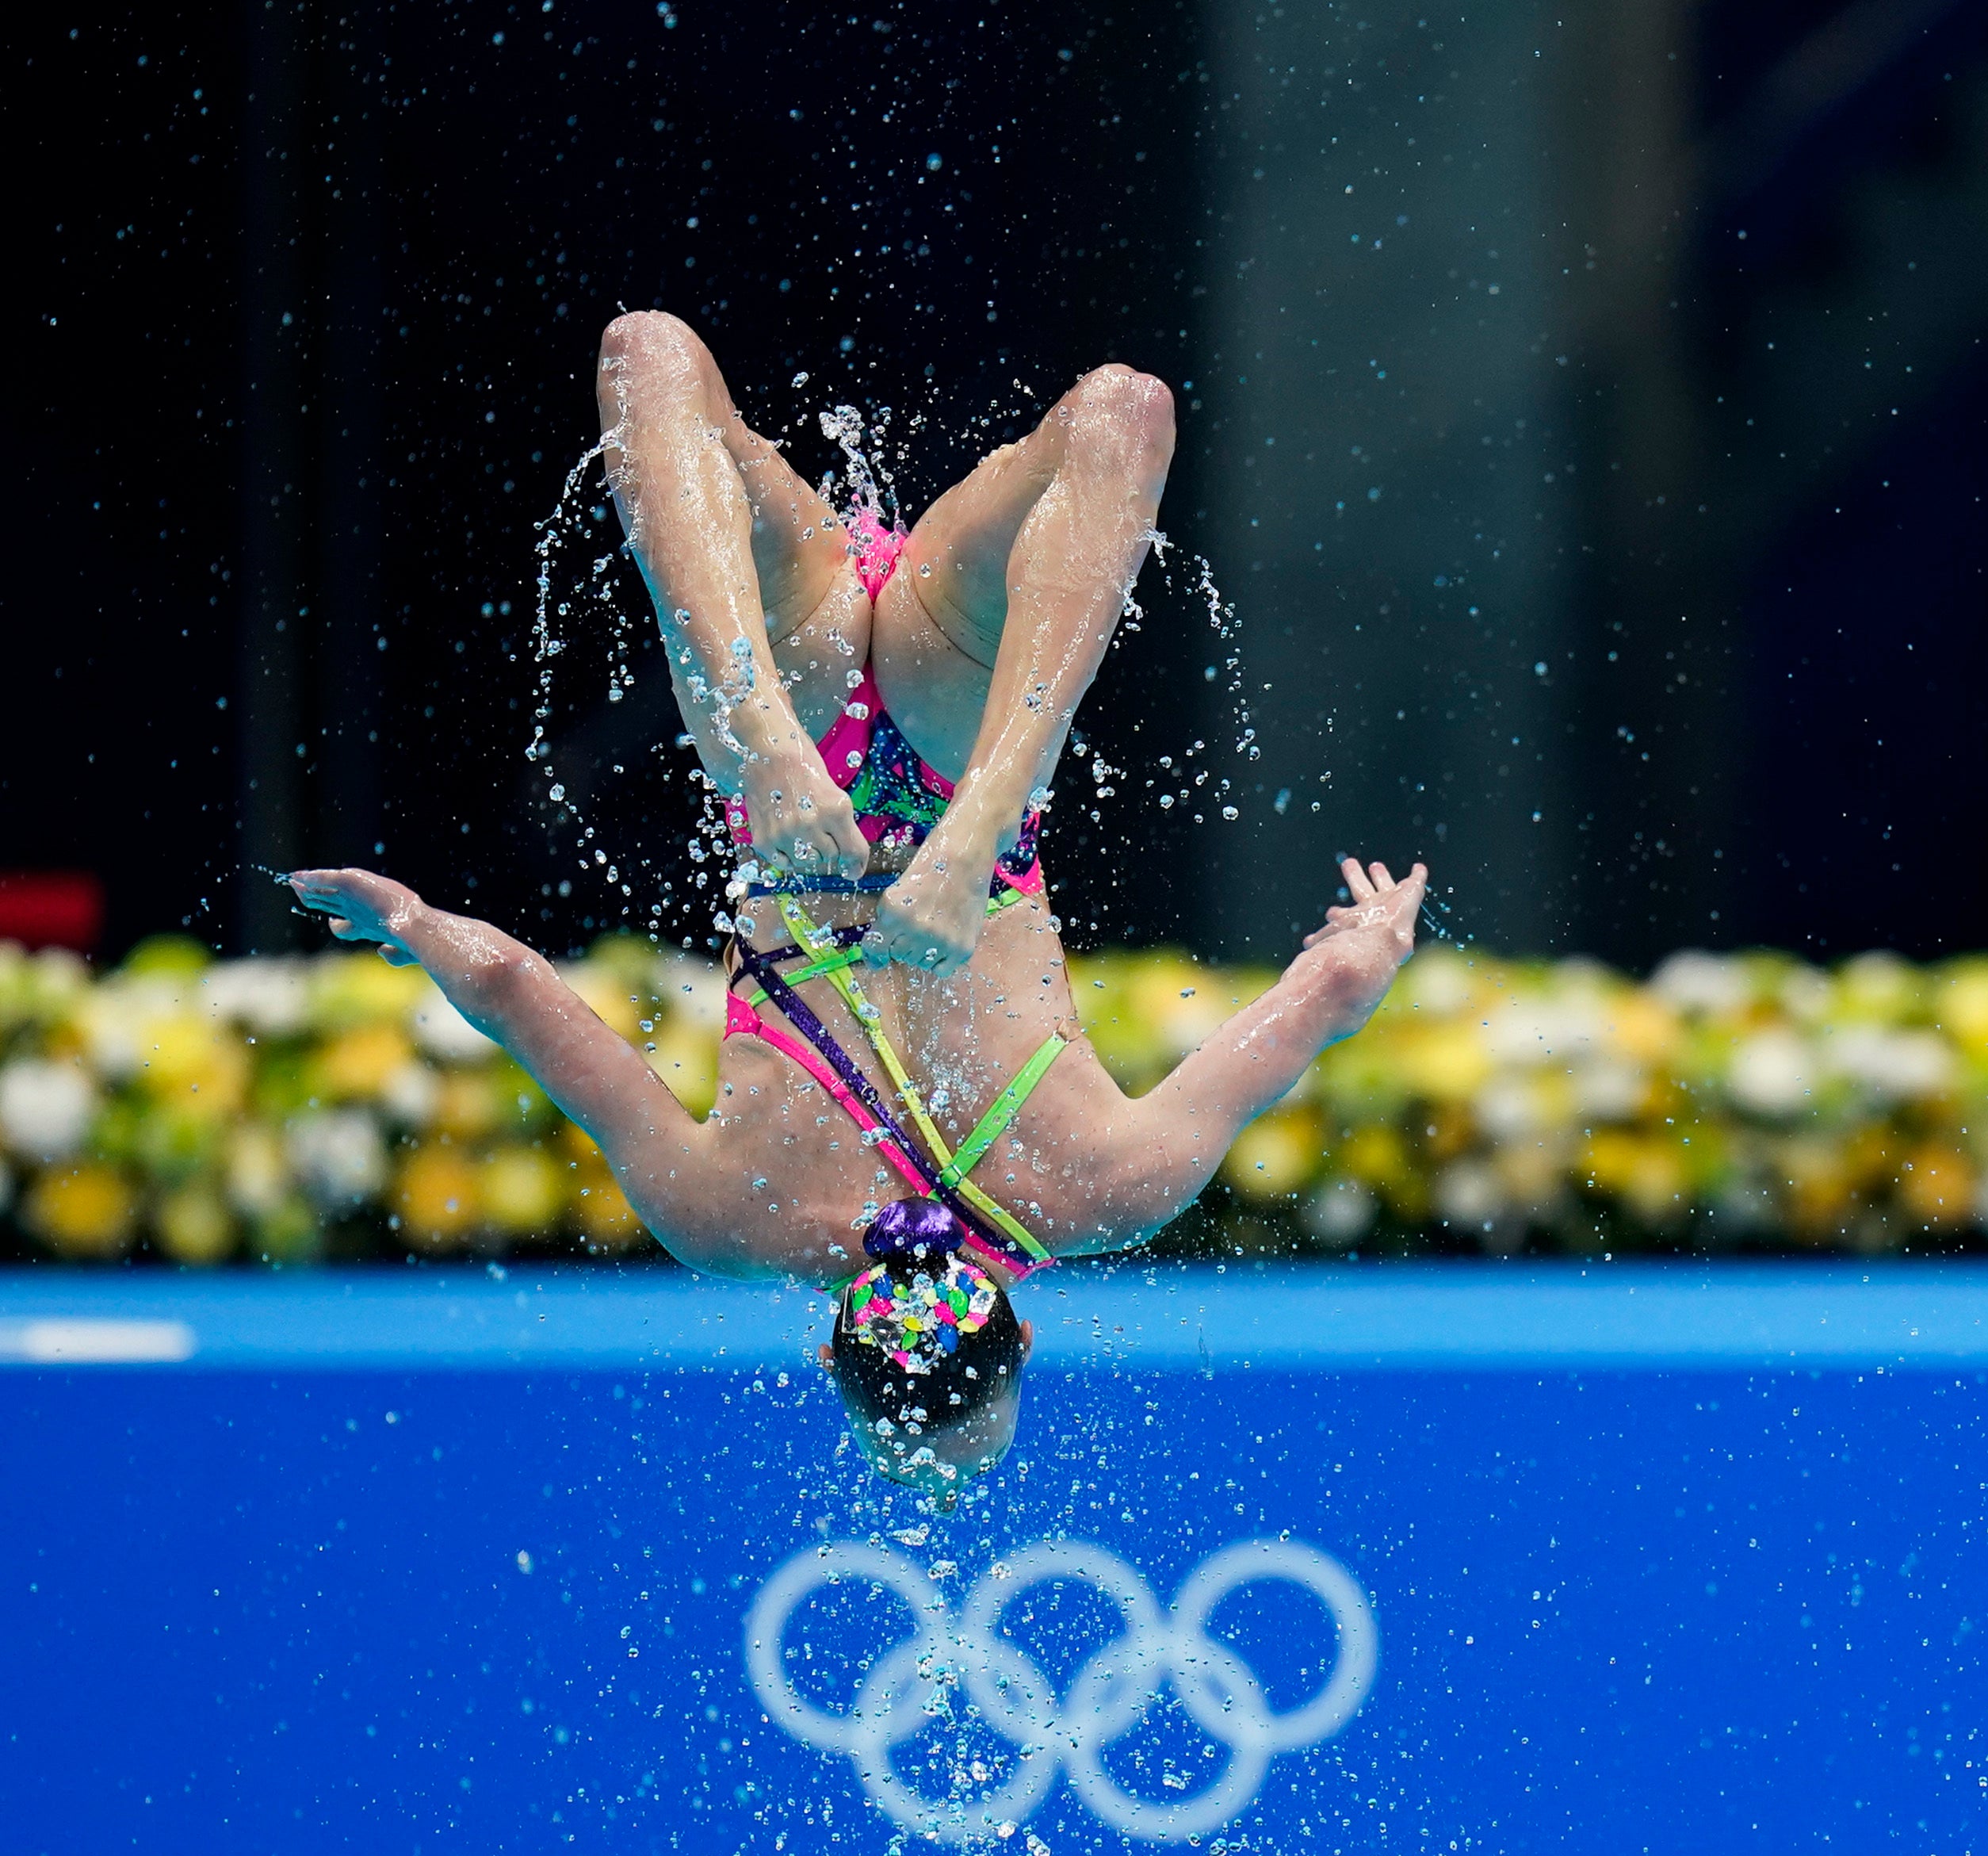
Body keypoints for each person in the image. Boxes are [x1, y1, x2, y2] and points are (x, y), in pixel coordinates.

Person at [283, 315, 1430, 1490]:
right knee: (648, 360)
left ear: (1022, 1337)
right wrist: (410, 925)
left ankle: (965, 809)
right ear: (830, 1346)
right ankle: (770, 732)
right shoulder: (727, 1222)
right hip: (788, 764)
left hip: (968, 731)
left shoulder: (1108, 1189)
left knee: (1125, 413)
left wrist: (1373, 939)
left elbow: (1335, 989)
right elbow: (513, 987)